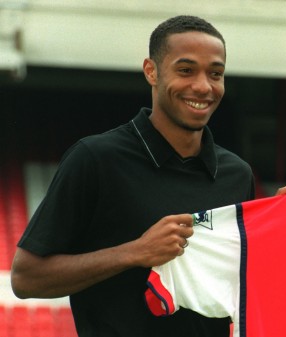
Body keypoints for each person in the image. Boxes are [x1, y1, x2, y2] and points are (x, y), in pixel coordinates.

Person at [11, 15, 254, 337]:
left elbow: (249, 281)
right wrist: (135, 252)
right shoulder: (96, 159)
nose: (203, 86)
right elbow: (26, 279)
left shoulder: (237, 174)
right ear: (151, 71)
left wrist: (284, 221)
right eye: (185, 70)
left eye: (216, 74)